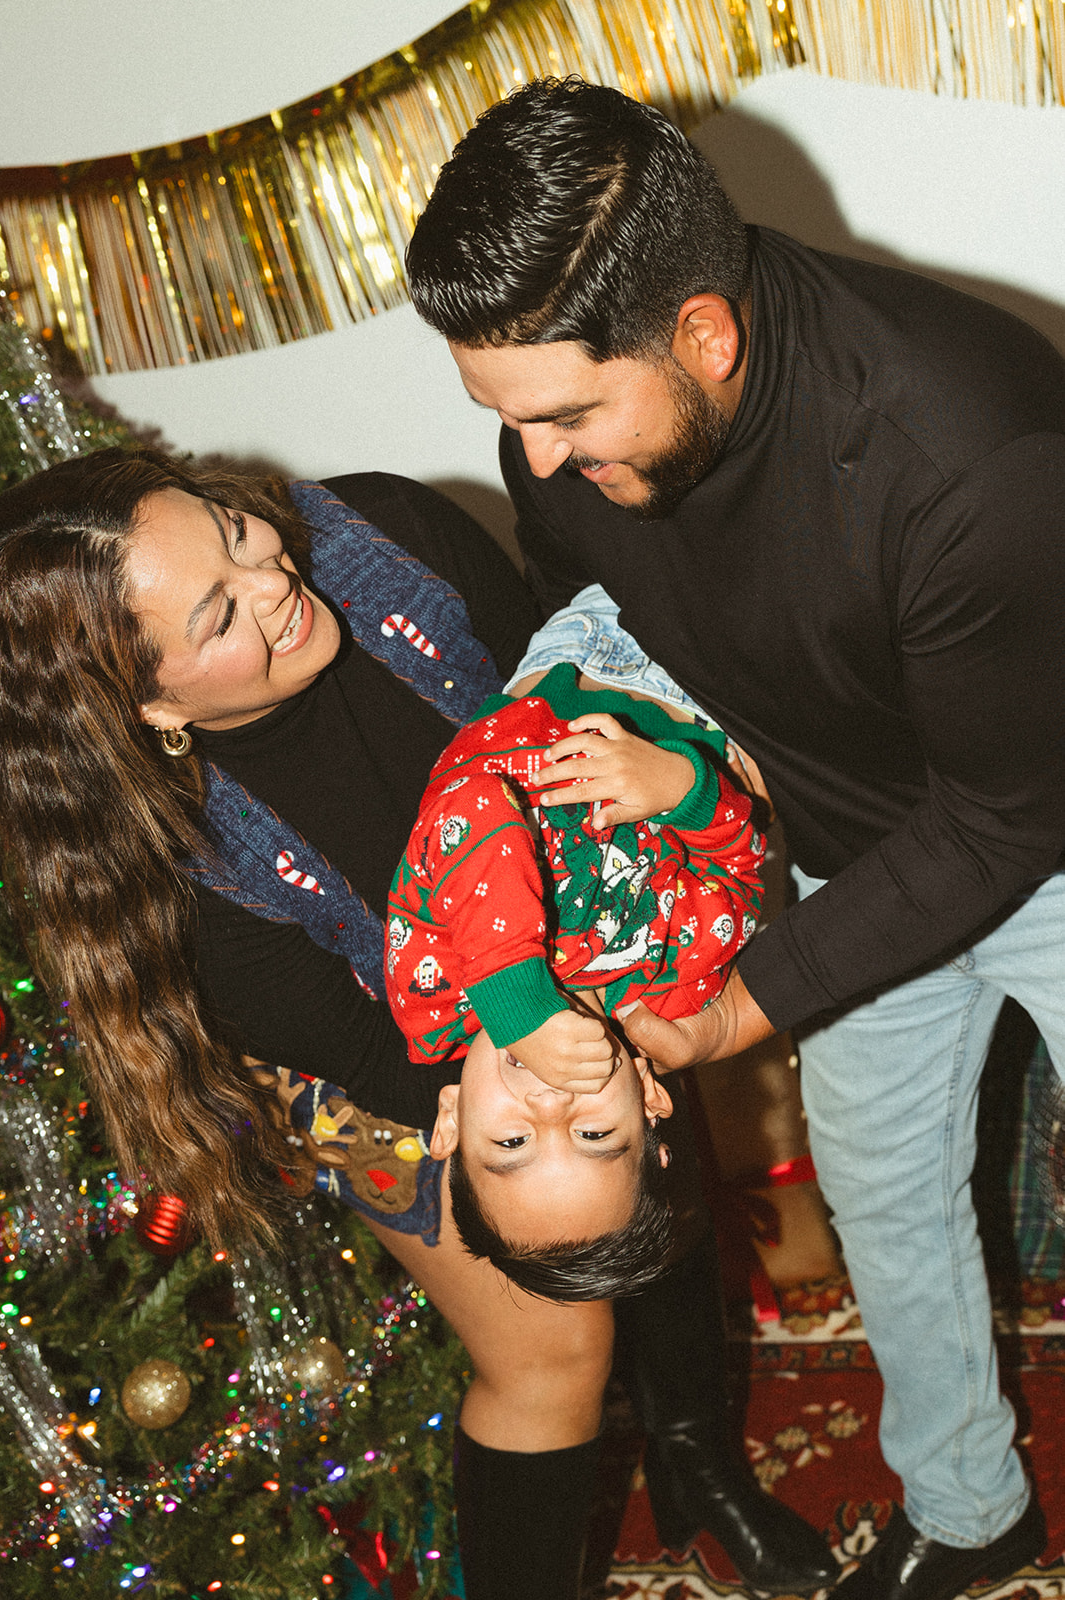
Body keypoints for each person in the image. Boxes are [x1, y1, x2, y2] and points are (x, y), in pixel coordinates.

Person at [405, 75, 1065, 1600]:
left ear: (702, 334)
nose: (534, 462)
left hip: (1040, 823)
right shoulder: (561, 445)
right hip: (848, 858)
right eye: (504, 418)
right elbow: (631, 640)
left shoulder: (969, 450)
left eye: (564, 415)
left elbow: (1002, 816)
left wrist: (729, 1011)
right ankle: (970, 1513)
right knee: (884, 1201)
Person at [0, 447, 836, 1599]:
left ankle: (699, 1464)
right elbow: (365, 1050)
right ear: (151, 706)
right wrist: (546, 1074)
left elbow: (568, 692)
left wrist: (611, 1020)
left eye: (235, 533)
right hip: (389, 1051)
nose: (275, 579)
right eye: (219, 613)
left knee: (637, 1165)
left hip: (581, 926)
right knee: (553, 1350)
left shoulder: (389, 534)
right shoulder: (177, 870)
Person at [386, 653, 764, 1291]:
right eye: (593, 1133)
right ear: (648, 1098)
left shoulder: (435, 995)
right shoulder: (669, 997)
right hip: (704, 701)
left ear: (450, 1120)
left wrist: (518, 1003)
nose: (550, 1103)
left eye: (512, 1144)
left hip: (576, 669)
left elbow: (467, 804)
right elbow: (738, 877)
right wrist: (682, 788)